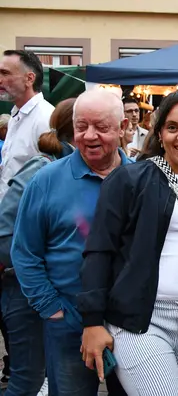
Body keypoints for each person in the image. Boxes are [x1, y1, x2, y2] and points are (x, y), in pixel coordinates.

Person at [78, 88, 178, 395]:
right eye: (173, 127)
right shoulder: (129, 180)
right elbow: (99, 251)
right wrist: (92, 321)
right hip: (140, 319)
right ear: (159, 134)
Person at [10, 89, 130, 396]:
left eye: (101, 127)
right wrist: (53, 310)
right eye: (81, 126)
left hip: (130, 324)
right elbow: (24, 252)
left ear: (123, 127)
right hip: (69, 322)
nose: (89, 136)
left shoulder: (140, 178)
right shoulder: (46, 180)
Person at [0, 98, 75, 396]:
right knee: (27, 380)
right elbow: (4, 234)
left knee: (46, 376)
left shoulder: (82, 170)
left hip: (50, 291)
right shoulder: (42, 168)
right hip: (23, 290)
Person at [0, 50, 54, 202]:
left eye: (5, 73)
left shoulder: (46, 118)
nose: (0, 79)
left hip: (27, 212)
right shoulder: (16, 115)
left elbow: (52, 178)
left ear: (29, 79)